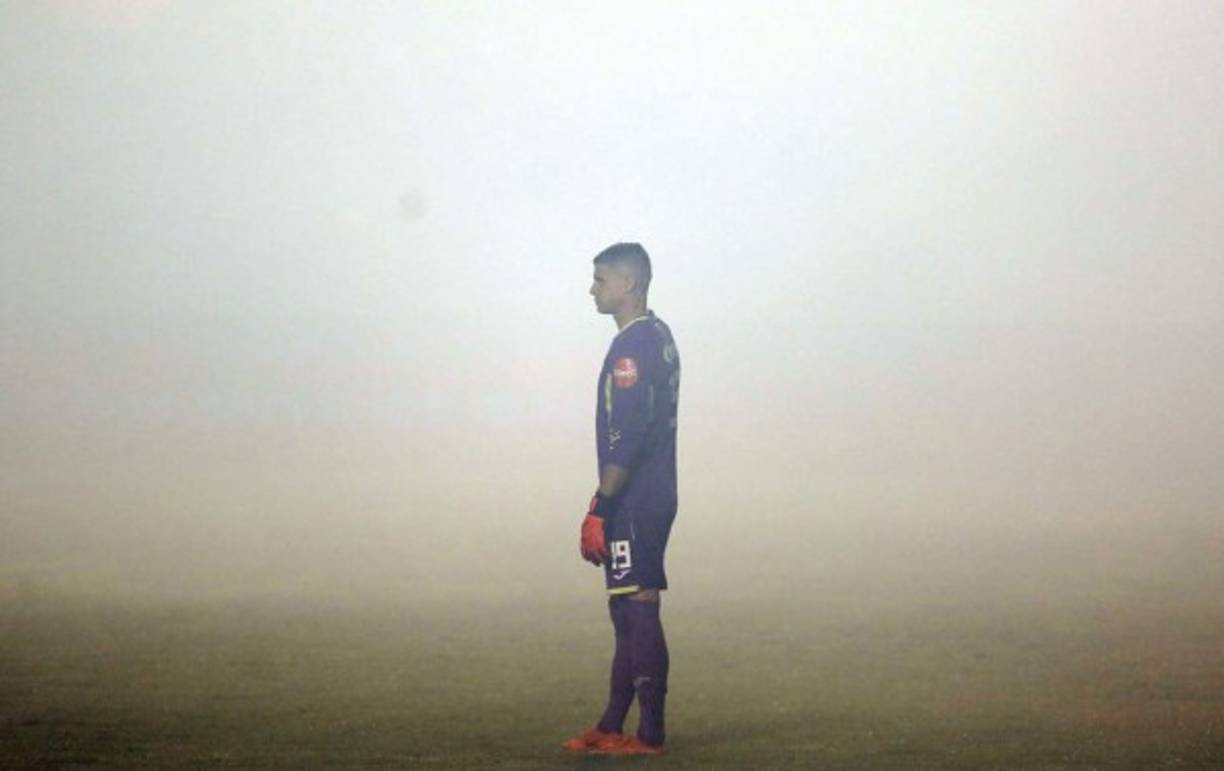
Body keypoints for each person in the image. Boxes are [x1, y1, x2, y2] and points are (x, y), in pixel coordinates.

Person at [562, 242, 680, 757]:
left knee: (639, 606)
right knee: (624, 609)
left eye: (601, 279)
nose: (593, 288)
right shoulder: (659, 335)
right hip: (647, 492)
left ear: (628, 284)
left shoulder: (631, 349)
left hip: (637, 498)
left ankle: (649, 734)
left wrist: (600, 508)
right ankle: (612, 721)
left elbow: (627, 437)